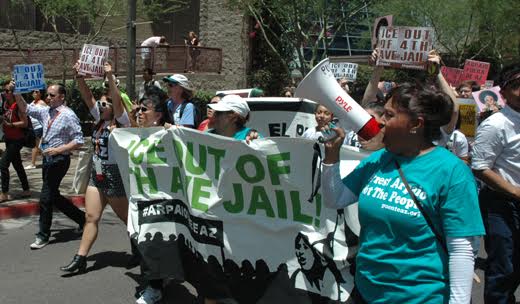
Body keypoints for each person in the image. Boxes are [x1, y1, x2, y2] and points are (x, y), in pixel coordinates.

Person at [321, 83, 485, 303]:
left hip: (421, 296)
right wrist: (331, 157)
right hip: (367, 292)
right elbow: (335, 199)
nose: (379, 121)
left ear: (415, 124)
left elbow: (461, 250)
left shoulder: (452, 172)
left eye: (389, 115)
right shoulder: (380, 159)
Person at [60, 62, 132, 274]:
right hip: (97, 175)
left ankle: (141, 251)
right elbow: (87, 95)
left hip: (115, 176)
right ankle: (80, 258)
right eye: (99, 105)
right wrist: (79, 77)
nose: (99, 107)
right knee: (91, 217)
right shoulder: (99, 122)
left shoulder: (122, 122)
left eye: (104, 105)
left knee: (128, 220)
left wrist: (110, 77)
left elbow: (118, 102)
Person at [471, 63, 520, 304]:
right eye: (518, 84)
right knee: (504, 267)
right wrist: (515, 191)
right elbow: (480, 167)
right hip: (502, 205)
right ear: (505, 91)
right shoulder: (495, 124)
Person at [15, 84, 86, 250]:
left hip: (59, 159)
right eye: (48, 95)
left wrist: (58, 150)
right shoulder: (45, 111)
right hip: (47, 159)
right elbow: (25, 109)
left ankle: (43, 235)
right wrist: (18, 93)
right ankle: (82, 219)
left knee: (45, 197)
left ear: (62, 96)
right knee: (53, 196)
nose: (48, 98)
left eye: (52, 95)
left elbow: (79, 139)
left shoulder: (68, 115)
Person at [131, 86, 174, 304]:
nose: (139, 113)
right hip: (140, 197)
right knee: (142, 241)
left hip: (161, 199)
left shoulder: (170, 134)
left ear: (158, 115)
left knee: (150, 242)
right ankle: (160, 277)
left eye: (144, 110)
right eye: (137, 109)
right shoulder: (133, 135)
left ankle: (155, 288)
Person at [0, 81, 31, 202]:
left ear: (13, 93)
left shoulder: (18, 106)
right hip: (9, 138)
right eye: (4, 90)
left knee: (3, 164)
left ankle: (4, 193)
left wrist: (11, 124)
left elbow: (25, 123)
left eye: (7, 91)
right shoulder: (6, 104)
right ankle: (26, 189)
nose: (5, 93)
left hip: (17, 140)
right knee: (17, 164)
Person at [25, 89, 48, 170]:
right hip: (33, 127)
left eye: (37, 92)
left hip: (39, 126)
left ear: (40, 94)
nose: (34, 93)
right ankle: (47, 160)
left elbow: (47, 113)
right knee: (39, 146)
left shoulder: (42, 103)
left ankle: (33, 164)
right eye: (33, 91)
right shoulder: (32, 102)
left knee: (35, 146)